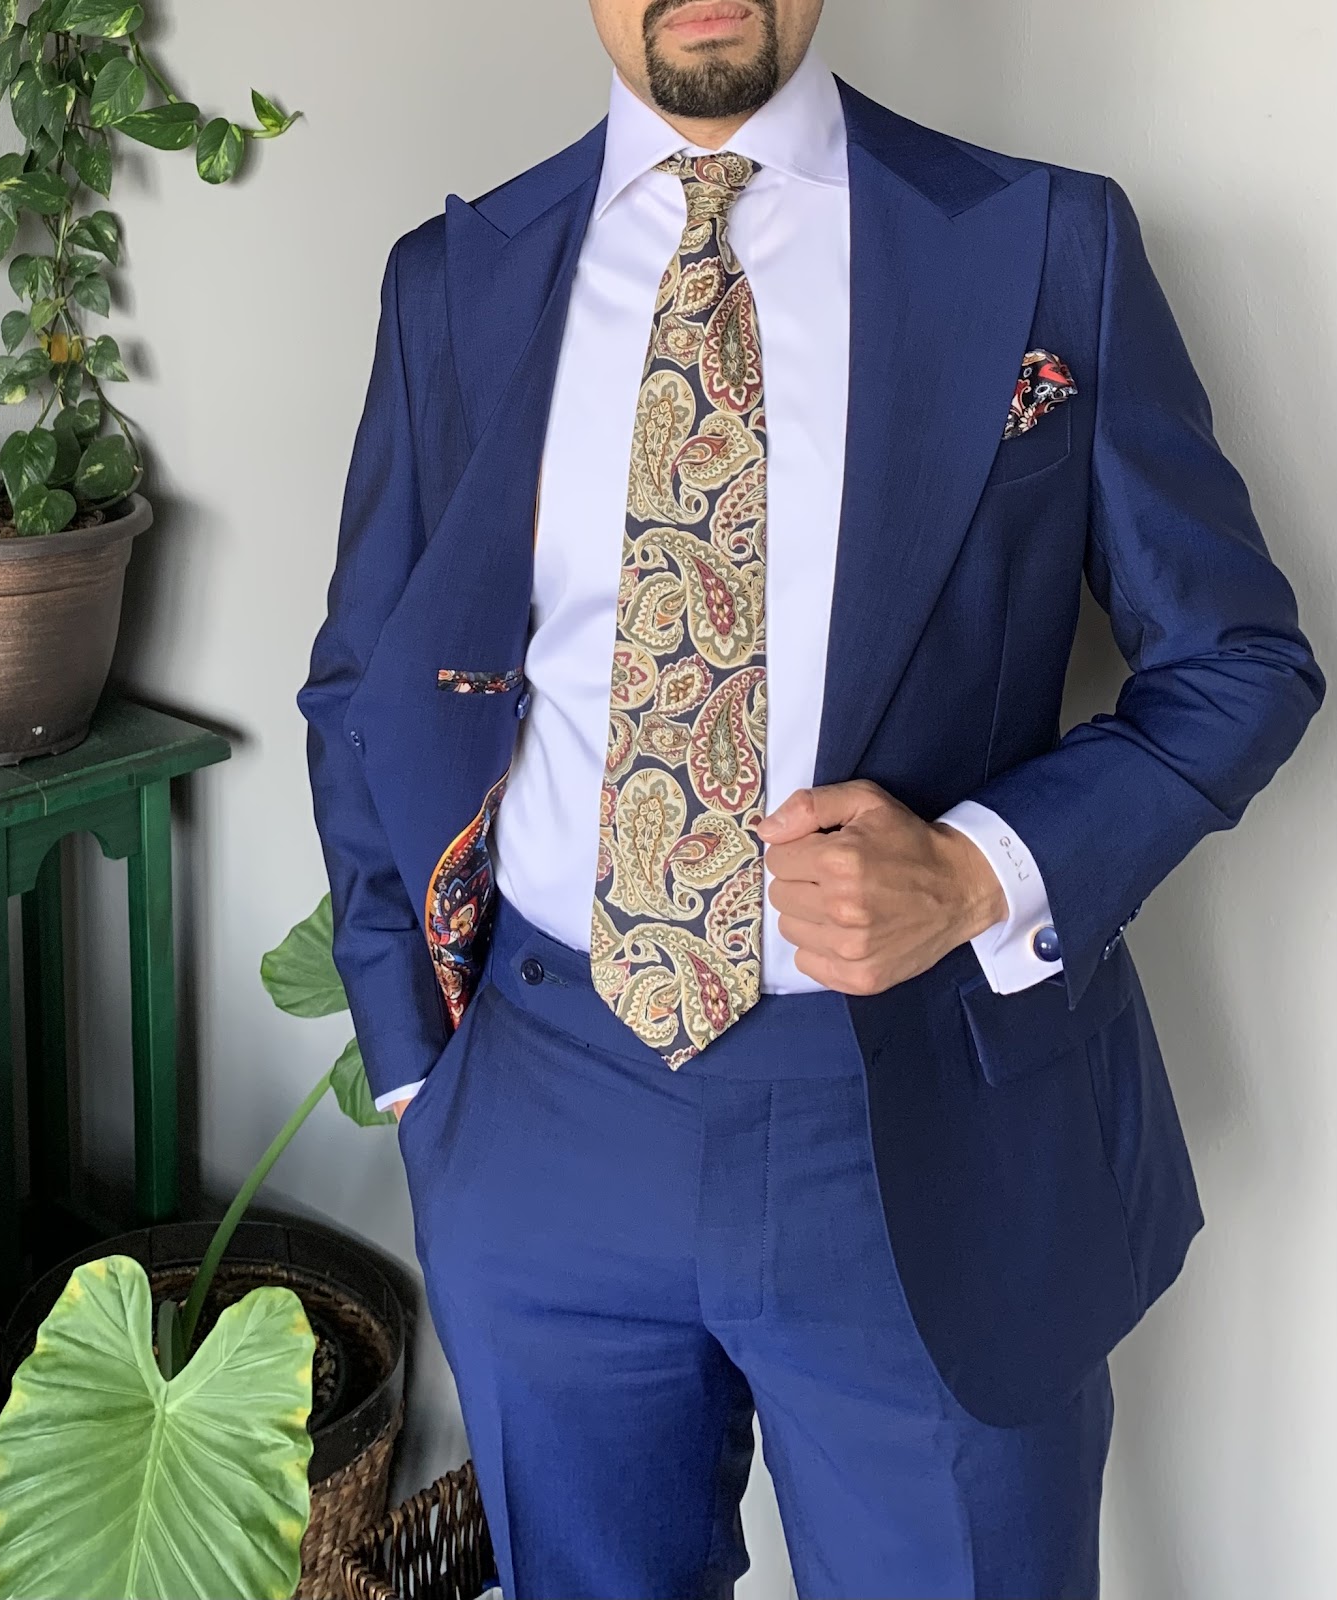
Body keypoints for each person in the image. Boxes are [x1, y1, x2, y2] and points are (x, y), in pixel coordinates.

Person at [300, 2, 1323, 1595]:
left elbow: (1240, 662)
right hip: (542, 1115)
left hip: (918, 1125)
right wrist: (416, 1073)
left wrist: (979, 873)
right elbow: (366, 680)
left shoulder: (1046, 243)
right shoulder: (453, 281)